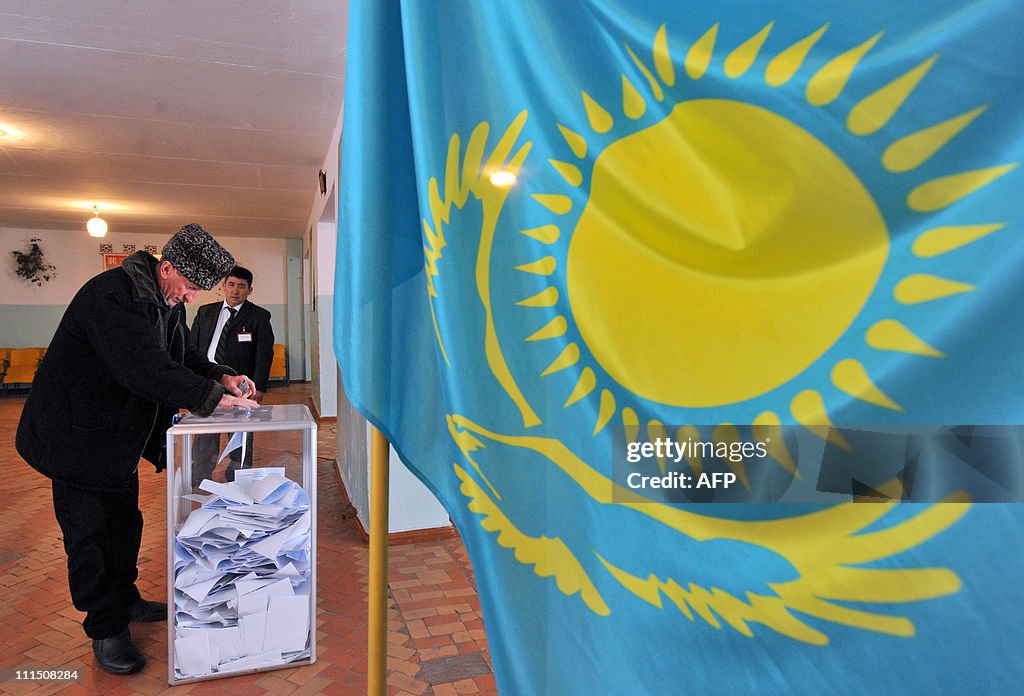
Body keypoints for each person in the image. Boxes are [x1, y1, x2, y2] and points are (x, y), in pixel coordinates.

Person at [15, 223, 260, 676]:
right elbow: (145, 369)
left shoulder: (162, 301)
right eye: (188, 287)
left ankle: (125, 599)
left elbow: (180, 358)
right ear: (166, 268)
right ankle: (105, 627)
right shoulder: (113, 297)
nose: (190, 298)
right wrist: (213, 400)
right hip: (75, 438)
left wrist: (221, 376)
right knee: (89, 535)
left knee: (125, 523)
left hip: (115, 440)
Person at [186, 266, 275, 486]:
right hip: (207, 379)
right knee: (205, 428)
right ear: (224, 286)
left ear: (249, 290)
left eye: (241, 287)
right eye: (231, 285)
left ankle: (239, 474)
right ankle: (200, 474)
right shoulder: (205, 312)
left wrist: (260, 387)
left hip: (241, 384)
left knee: (241, 430)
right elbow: (192, 347)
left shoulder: (258, 316)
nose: (235, 291)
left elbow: (264, 354)